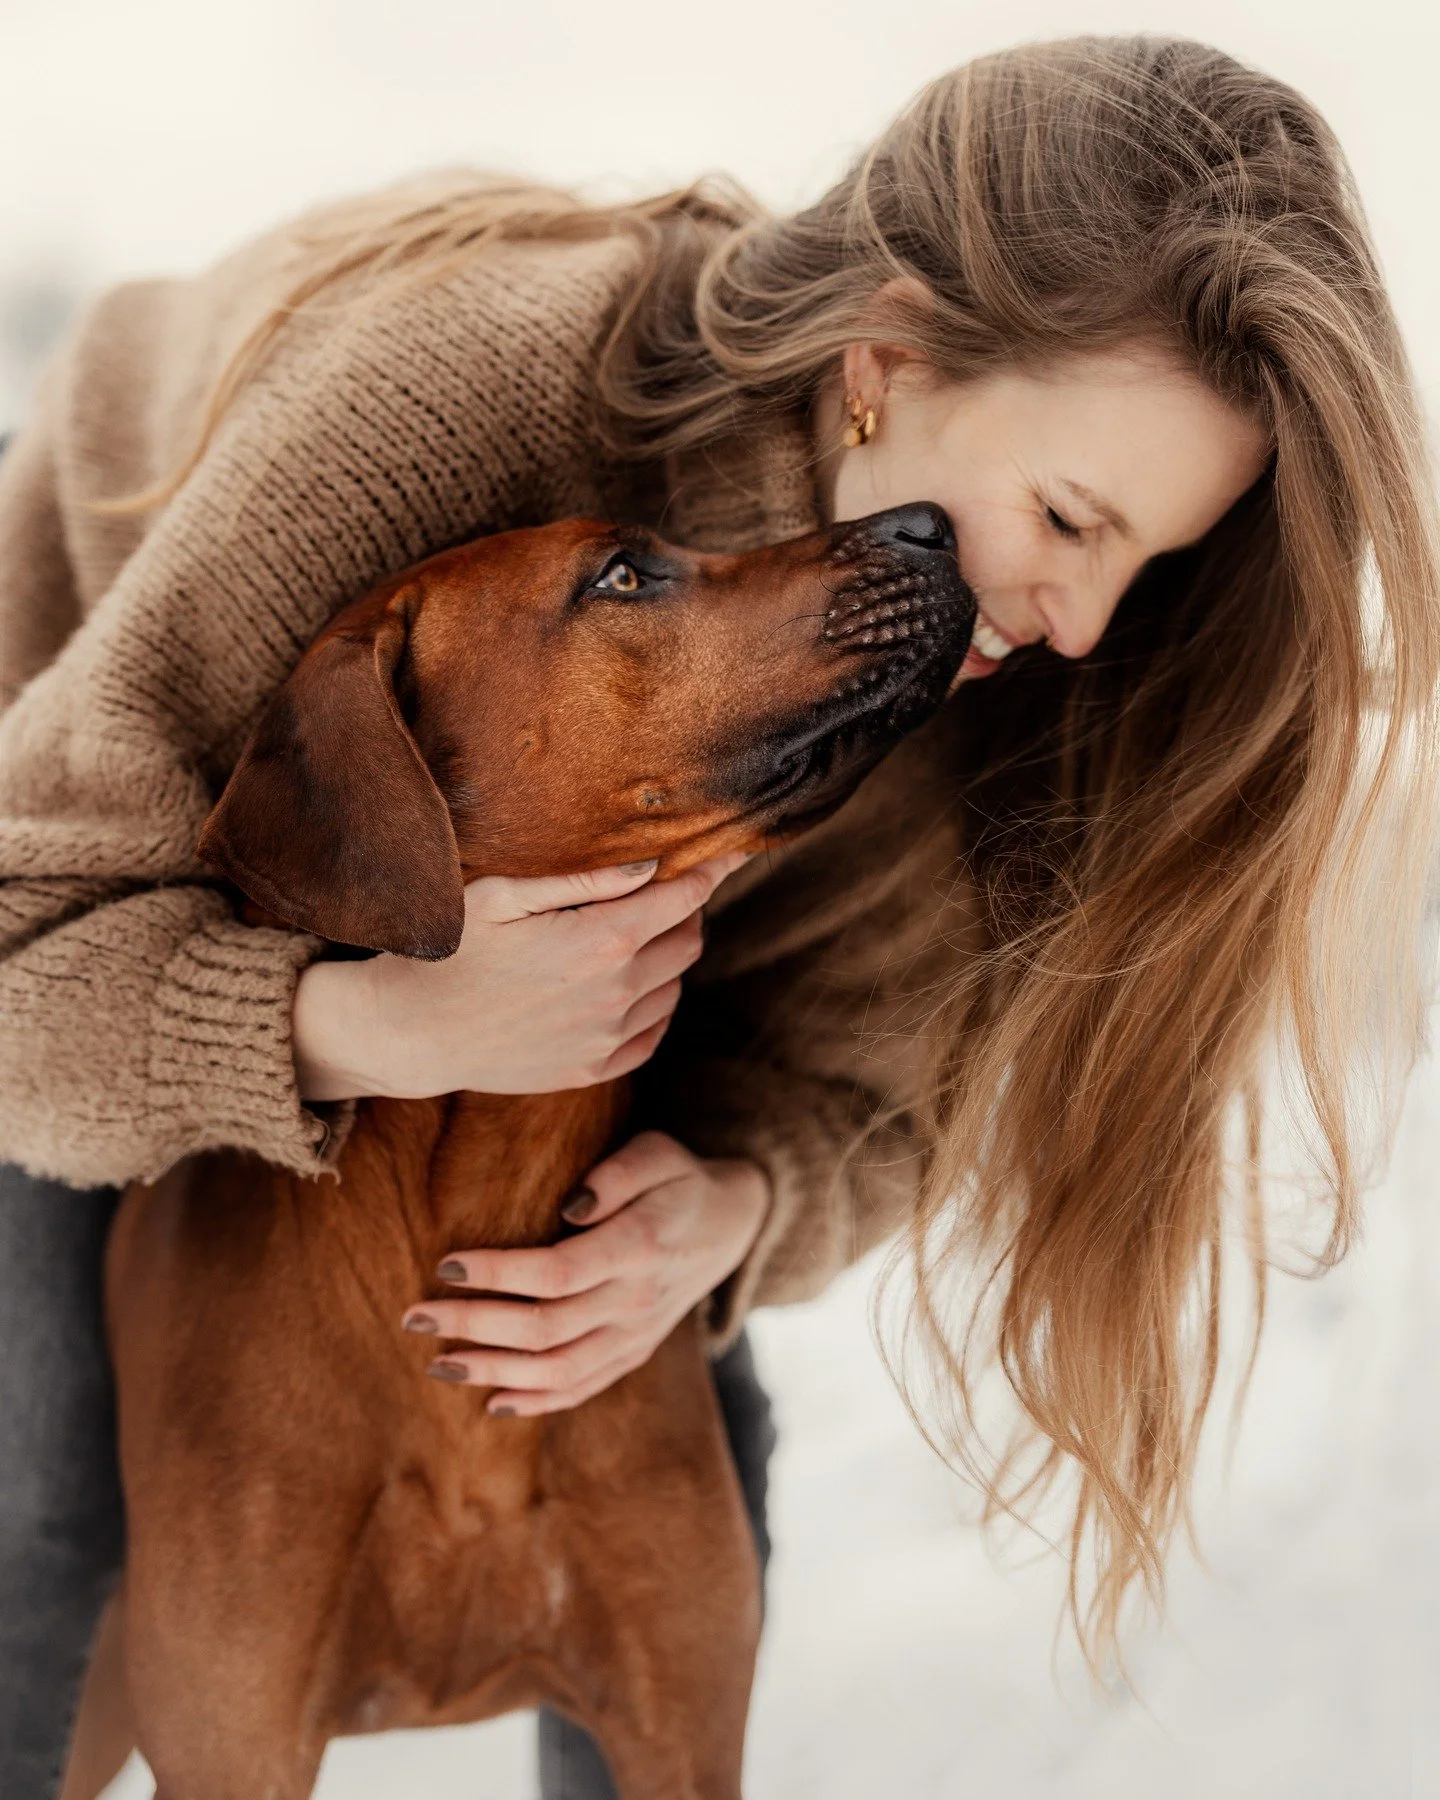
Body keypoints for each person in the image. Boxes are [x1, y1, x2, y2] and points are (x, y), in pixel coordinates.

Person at [2, 32, 1436, 1800]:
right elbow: (23, 940)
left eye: (1139, 567)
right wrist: (379, 1020)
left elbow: (893, 1091)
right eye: (1069, 516)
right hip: (72, 845)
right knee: (43, 1486)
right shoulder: (452, 400)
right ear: (883, 358)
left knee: (693, 1448)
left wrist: (733, 1208)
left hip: (532, 959)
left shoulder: (994, 658)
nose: (1078, 621)